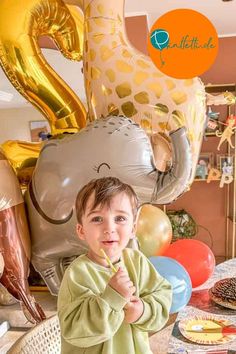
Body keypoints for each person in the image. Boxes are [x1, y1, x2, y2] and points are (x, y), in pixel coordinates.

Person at [57, 177, 172, 354]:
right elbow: (75, 332)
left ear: (133, 228)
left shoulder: (137, 262)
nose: (109, 228)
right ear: (81, 230)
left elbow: (162, 296)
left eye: (119, 218)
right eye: (97, 219)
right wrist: (112, 298)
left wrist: (142, 311)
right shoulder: (77, 274)